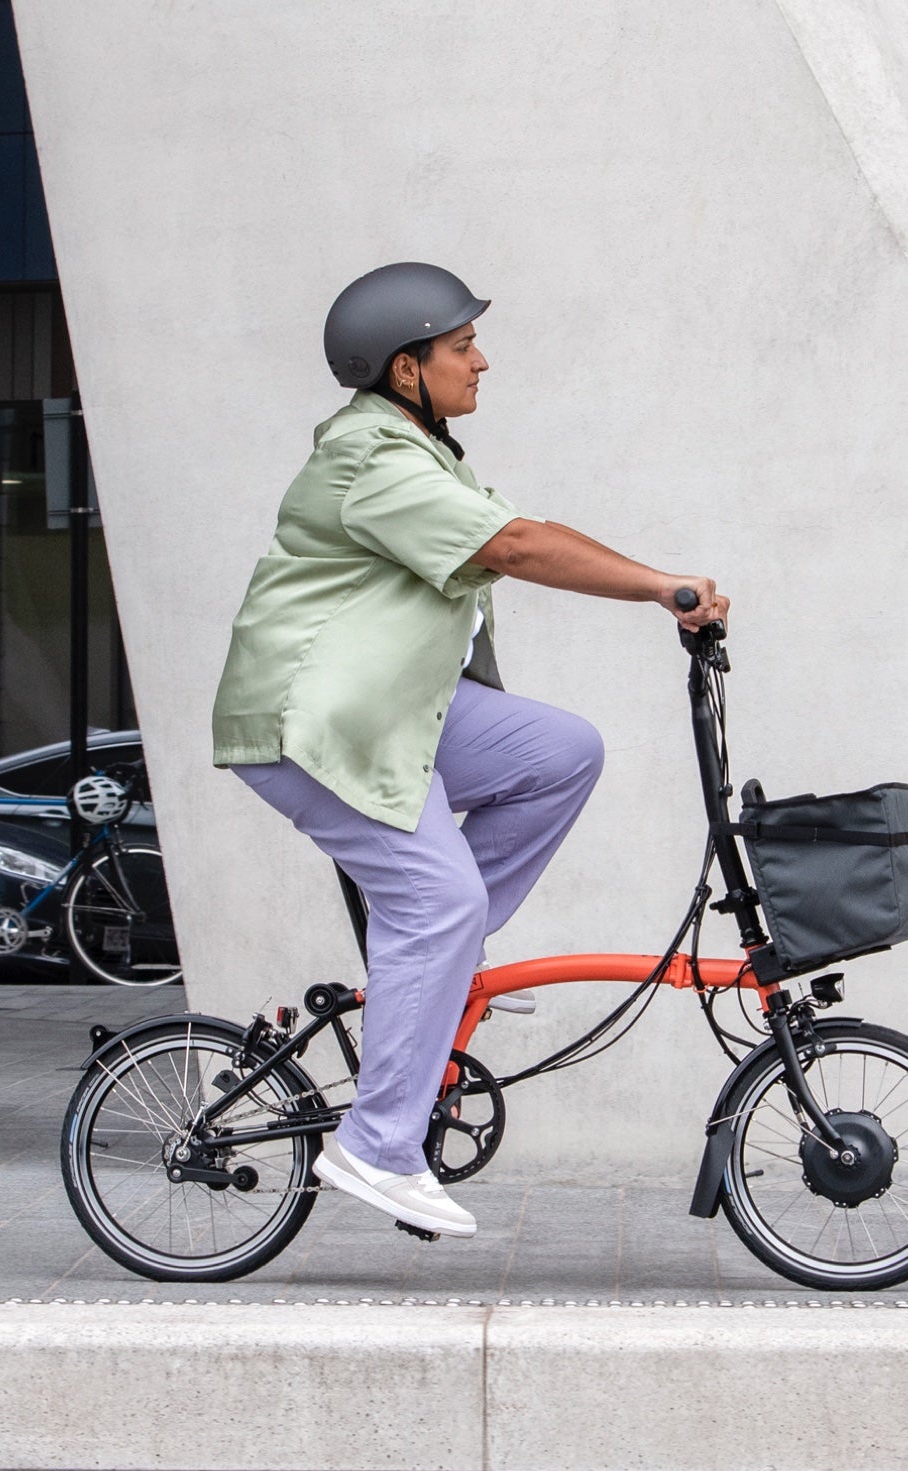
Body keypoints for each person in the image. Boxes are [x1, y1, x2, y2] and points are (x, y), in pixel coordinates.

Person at [209, 262, 728, 1239]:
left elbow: (508, 543)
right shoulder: (373, 462)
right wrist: (663, 585)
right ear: (406, 370)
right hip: (312, 725)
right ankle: (376, 1144)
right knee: (437, 900)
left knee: (560, 749)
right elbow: (517, 546)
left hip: (395, 709)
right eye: (460, 347)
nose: (480, 360)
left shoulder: (421, 451)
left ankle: (433, 951)